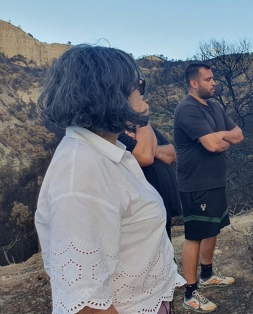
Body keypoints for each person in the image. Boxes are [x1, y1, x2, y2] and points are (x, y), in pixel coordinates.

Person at [34, 44, 185, 314]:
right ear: (111, 95)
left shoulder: (105, 152)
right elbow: (85, 304)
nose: (143, 93)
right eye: (139, 85)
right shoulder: (81, 173)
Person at [174, 62, 244, 312]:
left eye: (213, 78)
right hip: (196, 184)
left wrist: (219, 137)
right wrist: (221, 139)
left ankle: (207, 274)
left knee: (212, 229)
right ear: (194, 83)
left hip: (215, 180)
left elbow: (238, 134)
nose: (214, 82)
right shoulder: (187, 110)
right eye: (208, 79)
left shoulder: (214, 106)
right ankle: (190, 293)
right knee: (194, 235)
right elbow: (213, 146)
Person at [118, 125, 181, 240]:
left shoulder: (140, 125)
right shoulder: (114, 129)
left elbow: (172, 154)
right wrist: (148, 146)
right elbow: (144, 157)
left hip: (163, 201)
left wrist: (149, 146)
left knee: (167, 249)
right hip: (141, 208)